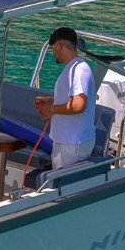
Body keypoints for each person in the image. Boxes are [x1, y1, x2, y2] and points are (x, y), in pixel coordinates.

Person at [34, 26, 96, 169]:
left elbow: (78, 105)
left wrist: (51, 110)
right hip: (70, 141)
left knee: (63, 186)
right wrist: (50, 101)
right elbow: (73, 99)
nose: (54, 54)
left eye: (53, 49)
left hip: (71, 143)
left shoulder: (79, 70)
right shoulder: (75, 67)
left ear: (60, 46)